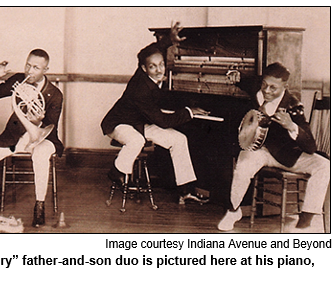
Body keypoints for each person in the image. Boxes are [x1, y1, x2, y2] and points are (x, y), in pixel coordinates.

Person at [100, 22, 209, 203]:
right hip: (118, 123)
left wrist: (169, 40)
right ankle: (116, 172)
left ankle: (185, 190)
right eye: (153, 67)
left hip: (139, 122)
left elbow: (154, 49)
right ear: (143, 69)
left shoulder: (148, 68)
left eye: (161, 65)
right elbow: (163, 121)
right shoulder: (140, 88)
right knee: (136, 141)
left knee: (179, 139)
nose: (159, 70)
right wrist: (189, 112)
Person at [218, 62, 330, 232]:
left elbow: (311, 147)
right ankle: (233, 211)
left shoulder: (294, 107)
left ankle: (304, 222)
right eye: (264, 85)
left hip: (286, 155)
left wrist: (292, 126)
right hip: (259, 151)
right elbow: (246, 81)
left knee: (325, 165)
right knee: (243, 165)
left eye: (273, 88)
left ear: (285, 86)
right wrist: (235, 75)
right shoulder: (258, 86)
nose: (267, 90)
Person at [0, 49, 63, 228]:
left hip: (44, 139)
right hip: (15, 137)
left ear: (46, 69)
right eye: (28, 65)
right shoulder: (18, 81)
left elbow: (50, 126)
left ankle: (39, 205)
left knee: (40, 155)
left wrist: (37, 121)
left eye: (36, 67)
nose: (30, 71)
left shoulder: (55, 94)